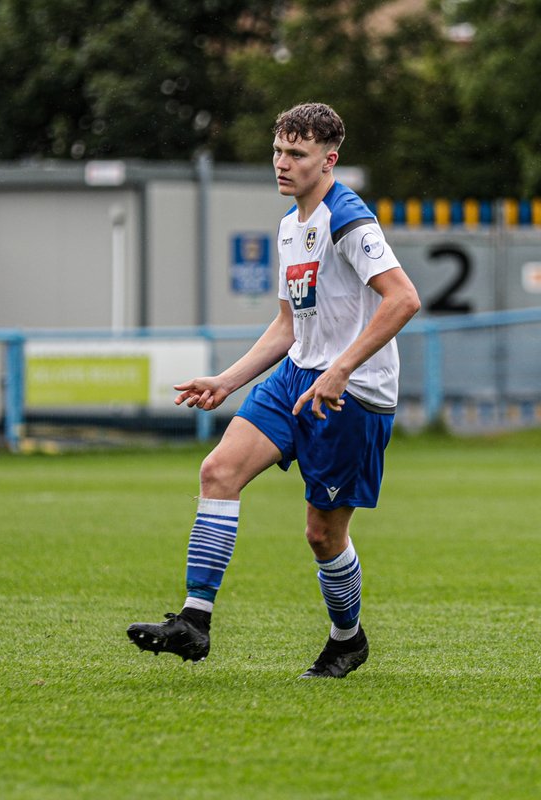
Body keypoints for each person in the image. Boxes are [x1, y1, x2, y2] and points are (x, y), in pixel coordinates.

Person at [126, 102, 421, 679]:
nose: (282, 164)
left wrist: (341, 369)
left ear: (329, 160)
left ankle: (347, 639)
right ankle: (194, 620)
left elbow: (403, 299)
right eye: (278, 151)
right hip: (297, 377)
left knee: (321, 534)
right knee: (219, 471)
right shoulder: (290, 225)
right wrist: (227, 380)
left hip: (351, 394)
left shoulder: (349, 220)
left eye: (297, 155)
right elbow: (289, 327)